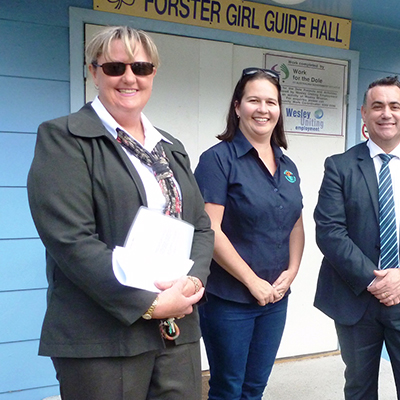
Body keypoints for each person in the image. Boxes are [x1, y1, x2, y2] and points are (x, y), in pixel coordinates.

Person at [26, 26, 214, 400]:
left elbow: (201, 229)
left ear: (153, 74)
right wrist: (150, 304)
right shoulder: (65, 138)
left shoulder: (170, 148)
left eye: (141, 67)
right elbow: (71, 241)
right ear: (93, 72)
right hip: (102, 336)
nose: (129, 77)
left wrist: (190, 284)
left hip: (176, 330)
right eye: (114, 67)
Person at [314, 76, 400, 400]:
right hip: (356, 298)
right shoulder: (340, 166)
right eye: (377, 106)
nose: (386, 113)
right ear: (363, 113)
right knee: (359, 389)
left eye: (394, 106)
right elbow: (329, 230)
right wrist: (373, 280)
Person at [194, 67, 305, 400]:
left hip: (275, 298)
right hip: (229, 300)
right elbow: (209, 228)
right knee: (229, 388)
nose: (263, 109)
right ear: (238, 106)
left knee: (255, 388)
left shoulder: (287, 166)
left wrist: (292, 271)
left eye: (271, 102)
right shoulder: (217, 160)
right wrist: (251, 281)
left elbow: (296, 223)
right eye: (254, 100)